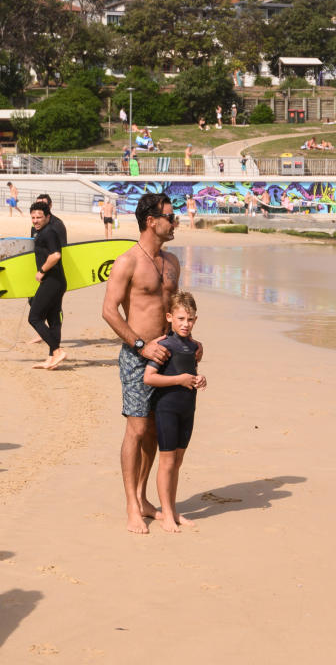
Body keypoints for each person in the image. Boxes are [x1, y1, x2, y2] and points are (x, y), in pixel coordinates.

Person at [102, 193, 185, 533]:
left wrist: (187, 343)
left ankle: (144, 496)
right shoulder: (127, 262)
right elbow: (109, 310)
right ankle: (131, 506)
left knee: (155, 430)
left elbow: (176, 308)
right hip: (137, 357)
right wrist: (140, 345)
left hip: (168, 356)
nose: (174, 221)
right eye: (169, 216)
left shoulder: (173, 262)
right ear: (152, 221)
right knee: (136, 428)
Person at [143, 290, 206, 533]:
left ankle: (173, 510)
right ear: (170, 317)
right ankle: (166, 512)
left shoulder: (194, 346)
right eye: (180, 319)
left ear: (196, 320)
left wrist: (199, 379)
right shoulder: (163, 345)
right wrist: (179, 379)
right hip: (166, 408)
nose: (185, 324)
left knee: (177, 462)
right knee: (167, 461)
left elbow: (190, 371)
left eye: (190, 319)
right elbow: (149, 378)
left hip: (188, 409)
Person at [28, 200, 68, 369]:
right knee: (53, 319)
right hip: (56, 281)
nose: (36, 220)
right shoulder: (42, 232)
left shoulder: (49, 232)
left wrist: (42, 271)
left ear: (47, 217)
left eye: (39, 217)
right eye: (33, 217)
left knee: (34, 318)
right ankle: (52, 358)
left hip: (52, 281)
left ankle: (58, 351)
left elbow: (56, 256)